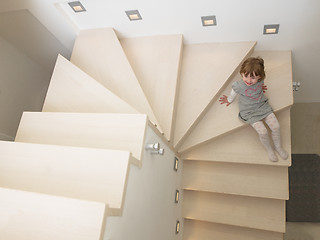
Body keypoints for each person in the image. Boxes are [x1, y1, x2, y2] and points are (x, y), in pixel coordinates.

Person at [219, 57, 288, 162]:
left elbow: (259, 84)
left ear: (260, 77)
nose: (249, 80)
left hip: (262, 106)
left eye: (253, 78)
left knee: (276, 127)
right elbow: (233, 92)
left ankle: (278, 147)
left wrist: (260, 88)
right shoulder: (239, 86)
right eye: (245, 76)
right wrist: (229, 100)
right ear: (242, 73)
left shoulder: (260, 81)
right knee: (263, 132)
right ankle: (269, 149)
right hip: (249, 111)